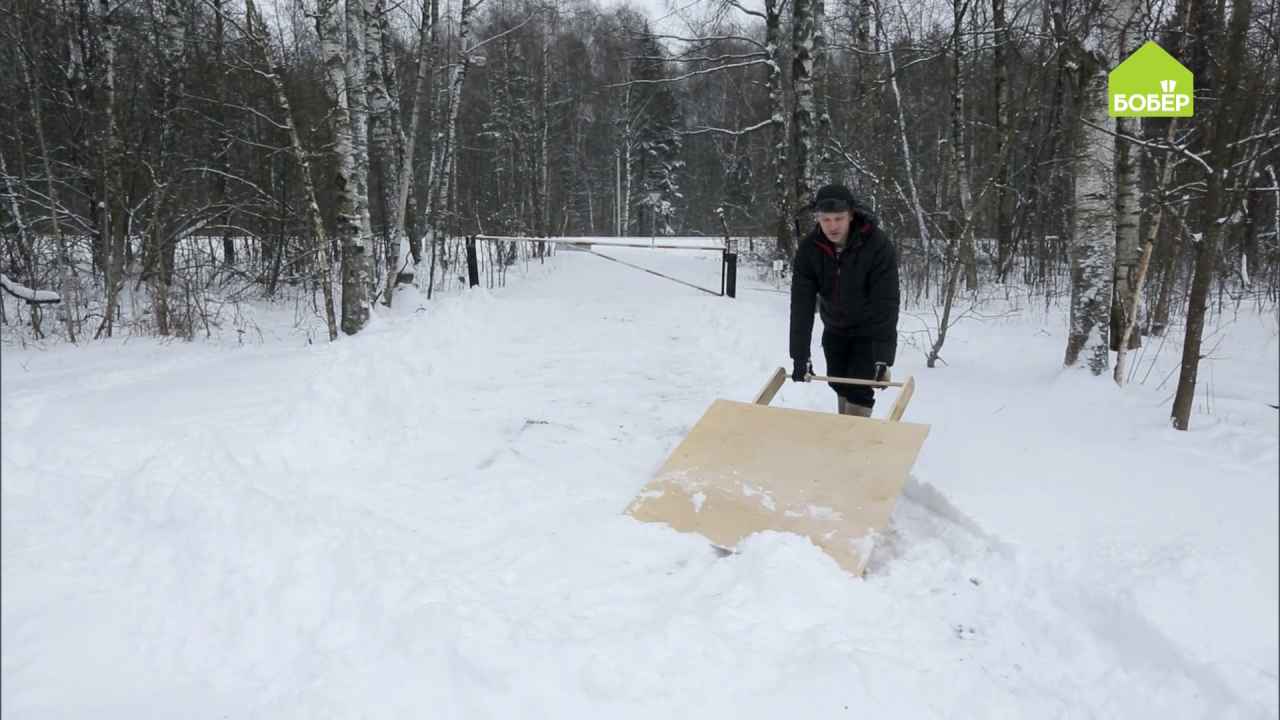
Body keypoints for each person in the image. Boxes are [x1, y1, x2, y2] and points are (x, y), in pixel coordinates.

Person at [789, 184, 900, 417]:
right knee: (839, 383)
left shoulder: (877, 246)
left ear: (851, 214)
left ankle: (855, 444)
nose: (833, 226)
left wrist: (883, 356)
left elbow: (886, 303)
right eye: (826, 219)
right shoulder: (810, 250)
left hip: (868, 331)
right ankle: (846, 435)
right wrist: (800, 355)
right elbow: (802, 305)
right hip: (835, 329)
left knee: (859, 388)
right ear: (817, 218)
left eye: (839, 218)